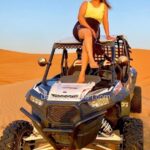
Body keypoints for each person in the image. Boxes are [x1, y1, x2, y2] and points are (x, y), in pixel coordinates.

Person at [73, 0, 115, 83]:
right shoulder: (86, 3)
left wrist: (107, 35)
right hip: (81, 27)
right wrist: (89, 28)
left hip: (95, 29)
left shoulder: (104, 6)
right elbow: (80, 17)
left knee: (86, 43)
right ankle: (91, 60)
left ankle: (82, 74)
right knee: (87, 33)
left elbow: (105, 21)